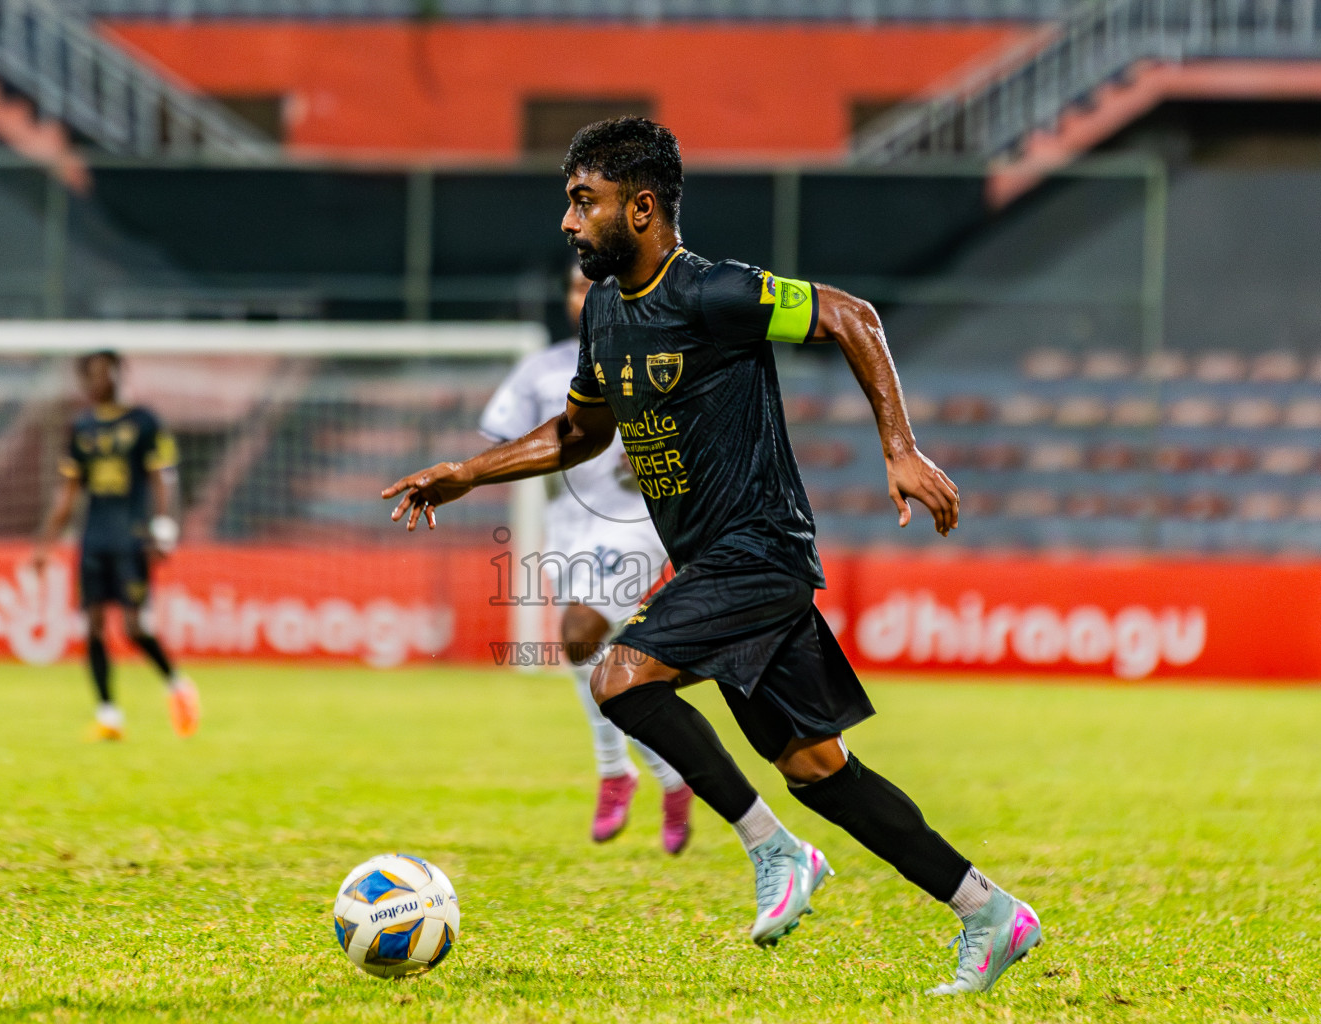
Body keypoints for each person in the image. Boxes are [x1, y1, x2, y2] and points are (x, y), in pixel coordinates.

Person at [383, 117, 1040, 996]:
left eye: (586, 202)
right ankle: (989, 912)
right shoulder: (606, 314)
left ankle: (775, 851)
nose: (570, 223)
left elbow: (852, 315)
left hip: (758, 549)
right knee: (816, 768)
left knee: (618, 678)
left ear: (643, 207)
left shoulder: (716, 292)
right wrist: (471, 472)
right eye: (569, 204)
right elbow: (581, 430)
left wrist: (900, 449)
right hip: (714, 564)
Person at [479, 261, 694, 852]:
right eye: (577, 287)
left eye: (596, 286)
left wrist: (661, 444)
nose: (586, 296)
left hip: (635, 525)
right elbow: (503, 442)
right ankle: (671, 777)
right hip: (565, 530)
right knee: (603, 662)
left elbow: (702, 427)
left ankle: (615, 770)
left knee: (578, 635)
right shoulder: (540, 371)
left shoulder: (659, 358)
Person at [34, 350, 200, 742]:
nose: (98, 381)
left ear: (119, 375)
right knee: (90, 625)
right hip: (94, 539)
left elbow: (163, 477)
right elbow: (69, 492)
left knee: (133, 627)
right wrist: (45, 545)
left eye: (105, 373)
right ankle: (109, 714)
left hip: (132, 536)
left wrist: (163, 527)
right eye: (90, 375)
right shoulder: (81, 427)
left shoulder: (144, 422)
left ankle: (177, 685)